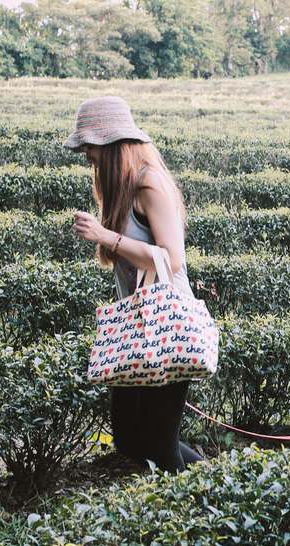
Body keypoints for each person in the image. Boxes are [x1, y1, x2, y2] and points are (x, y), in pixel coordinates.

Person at [65, 95, 203, 473]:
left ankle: (204, 497)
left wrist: (104, 236)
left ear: (110, 144)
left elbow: (171, 259)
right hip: (137, 325)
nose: (86, 155)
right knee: (128, 437)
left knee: (159, 444)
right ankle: (209, 480)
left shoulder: (149, 184)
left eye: (89, 146)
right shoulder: (122, 187)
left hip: (167, 324)